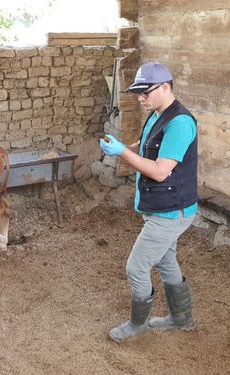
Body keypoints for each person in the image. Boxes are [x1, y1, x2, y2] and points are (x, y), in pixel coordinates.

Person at [99, 62, 198, 342]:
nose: (140, 98)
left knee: (136, 267)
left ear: (165, 87)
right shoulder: (157, 114)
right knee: (166, 260)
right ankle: (181, 319)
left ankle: (137, 324)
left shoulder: (179, 123)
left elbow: (159, 170)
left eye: (146, 92)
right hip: (162, 206)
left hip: (171, 210)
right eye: (138, 93)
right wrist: (120, 148)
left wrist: (121, 152)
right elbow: (145, 149)